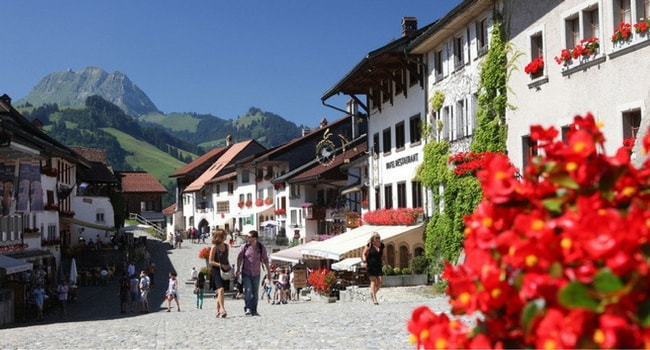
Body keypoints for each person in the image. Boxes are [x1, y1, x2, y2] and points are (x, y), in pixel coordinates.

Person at [236, 230, 271, 316]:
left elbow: (266, 260)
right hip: (246, 272)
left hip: (256, 273)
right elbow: (239, 258)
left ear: (255, 238)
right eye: (247, 237)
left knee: (255, 292)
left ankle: (254, 310)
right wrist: (238, 269)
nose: (247, 238)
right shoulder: (244, 247)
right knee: (248, 290)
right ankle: (248, 308)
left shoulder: (260, 247)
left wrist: (268, 272)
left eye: (249, 237)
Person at [209, 229, 231, 318]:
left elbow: (226, 258)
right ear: (220, 236)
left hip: (225, 270)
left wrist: (229, 267)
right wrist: (221, 265)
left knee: (220, 291)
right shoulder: (214, 247)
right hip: (216, 270)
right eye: (225, 235)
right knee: (220, 289)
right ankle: (222, 309)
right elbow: (211, 261)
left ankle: (217, 309)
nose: (226, 236)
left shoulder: (227, 246)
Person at [362, 232, 386, 305]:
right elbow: (363, 254)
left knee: (380, 281)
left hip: (378, 265)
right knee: (373, 281)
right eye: (376, 238)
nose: (378, 239)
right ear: (373, 239)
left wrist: (386, 262)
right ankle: (375, 299)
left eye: (379, 238)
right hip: (370, 265)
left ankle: (373, 293)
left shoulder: (381, 246)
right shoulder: (369, 245)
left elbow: (383, 255)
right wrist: (365, 261)